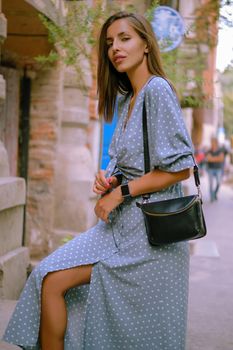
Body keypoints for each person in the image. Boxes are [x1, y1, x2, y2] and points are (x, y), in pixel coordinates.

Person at [3, 11, 195, 350]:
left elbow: (180, 168)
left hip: (150, 235)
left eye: (125, 38)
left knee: (56, 283)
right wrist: (112, 179)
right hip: (119, 228)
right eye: (109, 43)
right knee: (48, 277)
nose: (115, 49)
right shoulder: (126, 100)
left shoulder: (157, 91)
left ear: (146, 44)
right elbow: (139, 164)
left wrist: (120, 192)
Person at [206, 137, 225, 202]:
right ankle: (212, 197)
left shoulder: (220, 150)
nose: (212, 144)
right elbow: (208, 159)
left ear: (216, 143)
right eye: (212, 143)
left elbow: (221, 159)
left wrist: (212, 158)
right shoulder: (209, 151)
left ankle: (215, 193)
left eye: (213, 143)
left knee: (219, 183)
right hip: (210, 169)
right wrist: (217, 158)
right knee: (211, 184)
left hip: (218, 169)